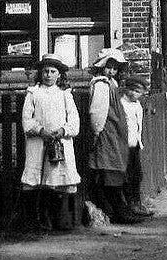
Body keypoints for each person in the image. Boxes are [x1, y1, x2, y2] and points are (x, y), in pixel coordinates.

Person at [20, 54, 81, 230]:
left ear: (59, 75)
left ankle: (61, 220)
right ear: (40, 73)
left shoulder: (65, 95)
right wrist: (40, 131)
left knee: (57, 180)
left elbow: (74, 122)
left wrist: (63, 130)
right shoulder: (33, 93)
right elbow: (26, 120)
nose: (48, 75)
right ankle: (36, 221)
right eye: (45, 71)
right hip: (38, 143)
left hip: (60, 143)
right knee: (36, 179)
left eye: (53, 71)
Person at [88, 47, 133, 223]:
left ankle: (119, 209)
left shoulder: (111, 83)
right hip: (106, 133)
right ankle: (117, 212)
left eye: (115, 68)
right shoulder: (101, 84)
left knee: (115, 169)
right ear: (102, 66)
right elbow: (98, 111)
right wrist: (97, 131)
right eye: (109, 67)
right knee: (109, 170)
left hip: (115, 132)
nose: (112, 71)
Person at [118, 71, 155, 218]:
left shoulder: (138, 105)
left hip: (135, 144)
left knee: (137, 175)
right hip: (124, 145)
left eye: (137, 91)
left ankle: (136, 203)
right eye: (131, 90)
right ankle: (128, 205)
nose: (133, 93)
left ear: (142, 93)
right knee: (126, 176)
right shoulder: (122, 104)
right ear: (126, 89)